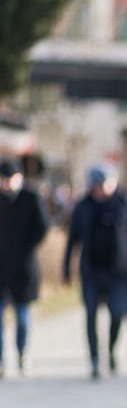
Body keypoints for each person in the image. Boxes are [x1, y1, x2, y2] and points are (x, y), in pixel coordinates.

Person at [62, 164, 127, 379]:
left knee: (118, 314)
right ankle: (93, 358)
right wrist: (66, 268)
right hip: (91, 271)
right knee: (91, 316)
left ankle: (110, 350)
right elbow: (73, 239)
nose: (100, 190)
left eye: (104, 185)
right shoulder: (84, 206)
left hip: (120, 272)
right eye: (96, 185)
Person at [0, 160, 49, 377]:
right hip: (1, 268)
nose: (7, 184)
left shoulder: (31, 198)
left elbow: (43, 226)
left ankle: (22, 353)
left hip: (24, 268)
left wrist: (26, 247)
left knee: (22, 317)